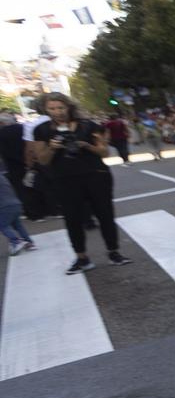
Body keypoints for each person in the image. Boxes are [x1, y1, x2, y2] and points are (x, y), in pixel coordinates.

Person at [27, 93, 127, 274]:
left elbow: (104, 153)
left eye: (61, 108)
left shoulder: (89, 125)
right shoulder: (41, 130)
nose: (57, 112)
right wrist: (52, 147)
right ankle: (82, 258)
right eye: (52, 108)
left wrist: (86, 145)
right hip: (64, 180)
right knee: (73, 219)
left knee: (105, 215)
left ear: (69, 107)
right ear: (46, 110)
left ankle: (114, 252)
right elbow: (42, 160)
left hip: (96, 176)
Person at [0, 157, 32, 255]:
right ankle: (29, 242)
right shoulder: (3, 177)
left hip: (5, 206)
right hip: (15, 203)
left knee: (3, 225)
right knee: (17, 224)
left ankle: (16, 241)